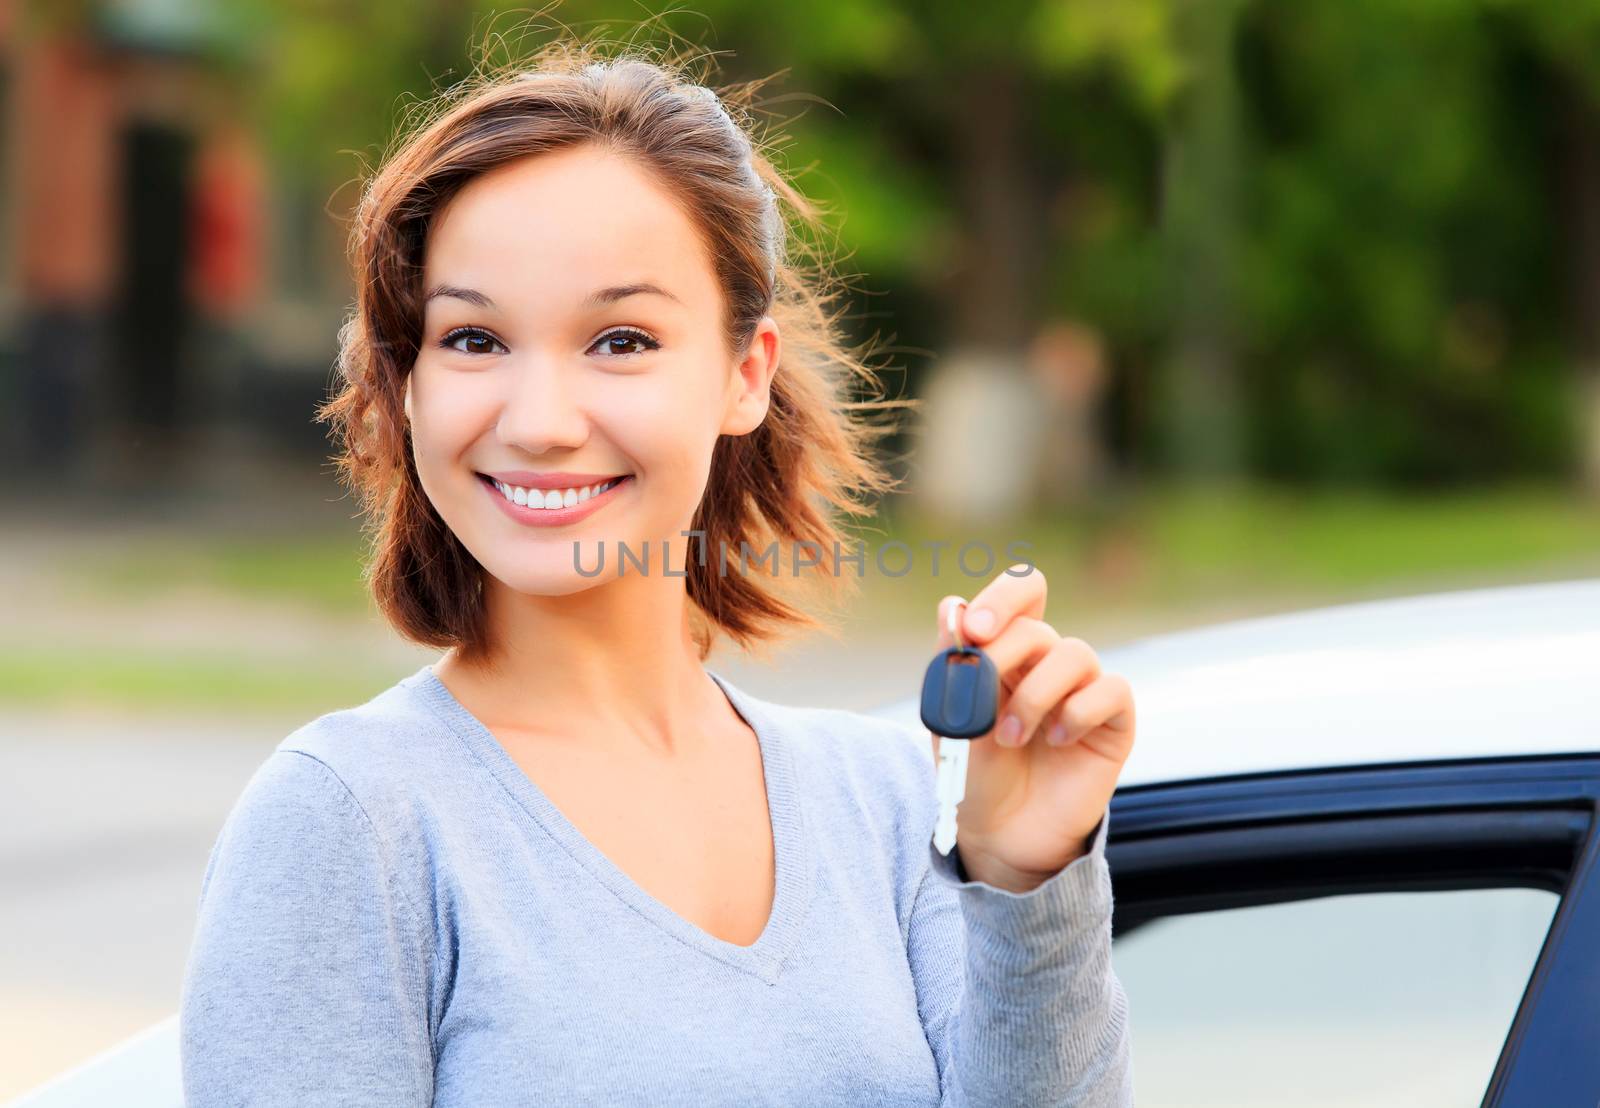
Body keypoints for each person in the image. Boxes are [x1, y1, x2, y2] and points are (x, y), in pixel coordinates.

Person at [178, 39, 1137, 1107]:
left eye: (622, 339)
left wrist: (1027, 884)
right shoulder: (353, 818)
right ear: (406, 385)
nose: (539, 422)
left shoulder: (881, 797)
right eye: (474, 339)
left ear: (743, 375)